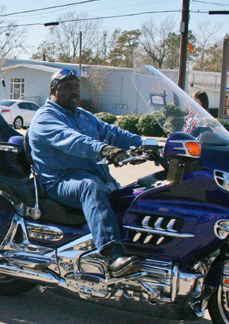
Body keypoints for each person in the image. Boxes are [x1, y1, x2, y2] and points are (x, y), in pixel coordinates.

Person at [27, 69, 143, 278]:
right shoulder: (45, 118)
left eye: (77, 88)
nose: (75, 92)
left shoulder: (84, 116)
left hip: (95, 177)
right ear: (53, 91)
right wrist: (104, 149)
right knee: (89, 187)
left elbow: (114, 133)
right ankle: (112, 255)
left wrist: (149, 145)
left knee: (137, 193)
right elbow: (72, 140)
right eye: (68, 88)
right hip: (59, 183)